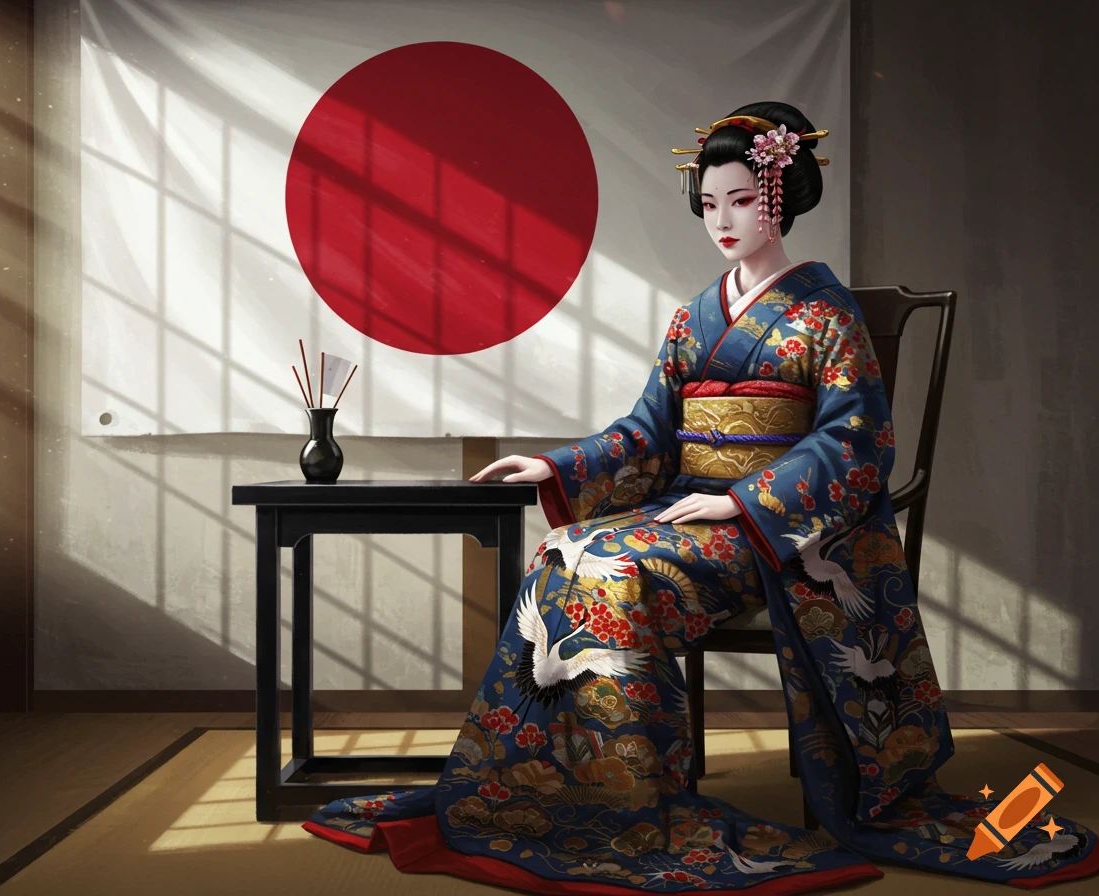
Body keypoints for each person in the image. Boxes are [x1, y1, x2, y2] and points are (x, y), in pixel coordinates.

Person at [302, 101, 1099, 892]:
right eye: (710, 203)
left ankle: (628, 788)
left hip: (778, 532)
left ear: (781, 200)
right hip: (688, 510)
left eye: (743, 201)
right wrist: (556, 467)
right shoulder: (693, 319)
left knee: (617, 572)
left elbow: (856, 440)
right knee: (565, 553)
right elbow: (648, 431)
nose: (723, 220)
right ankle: (591, 787)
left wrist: (744, 502)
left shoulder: (827, 313)